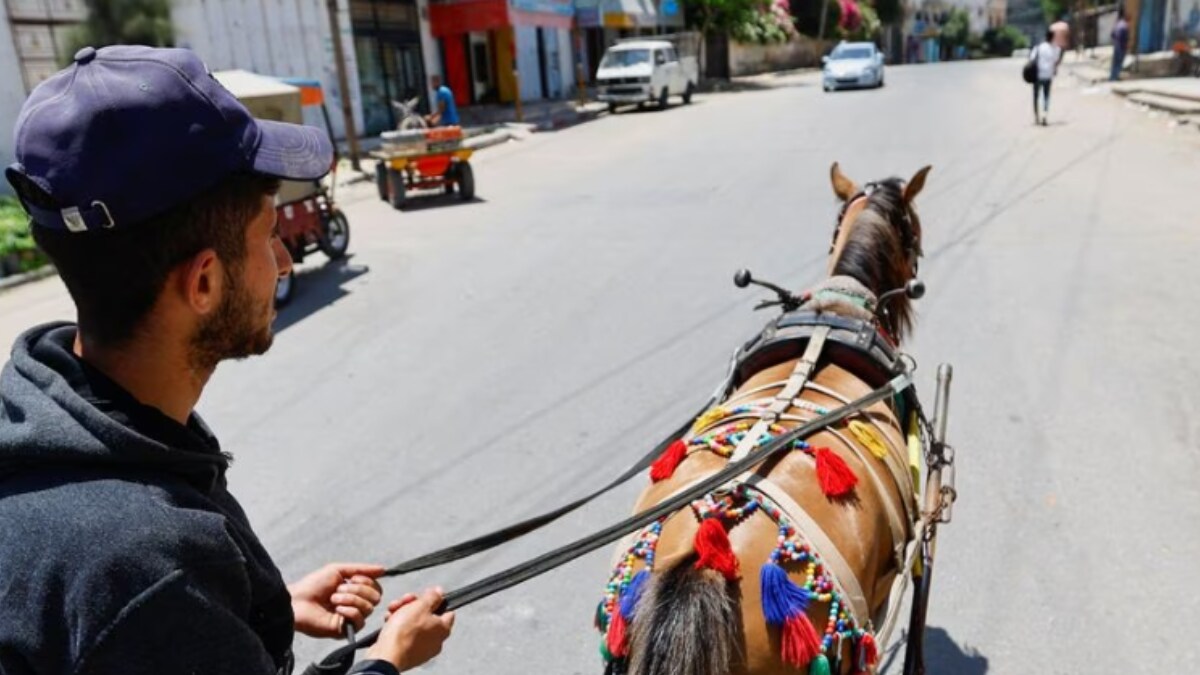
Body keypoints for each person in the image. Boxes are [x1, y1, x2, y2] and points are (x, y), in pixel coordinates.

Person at [0, 45, 454, 674]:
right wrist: (386, 662)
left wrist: (248, 610)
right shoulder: (146, 564)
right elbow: (136, 600)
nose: (287, 261)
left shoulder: (55, 423)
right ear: (205, 283)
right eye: (269, 235)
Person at [1029, 30, 1062, 126]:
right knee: (1046, 96)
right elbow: (1056, 62)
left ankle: (1036, 117)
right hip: (1048, 75)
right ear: (1053, 37)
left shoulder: (1038, 47)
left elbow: (1032, 59)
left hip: (1037, 75)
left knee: (1036, 96)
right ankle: (1044, 115)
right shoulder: (1056, 48)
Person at [1111, 8, 1130, 81]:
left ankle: (1112, 77)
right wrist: (1125, 46)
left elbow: (1112, 34)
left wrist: (1115, 41)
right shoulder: (1125, 26)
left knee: (1115, 62)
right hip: (1121, 45)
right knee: (1119, 62)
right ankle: (1116, 76)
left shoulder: (1118, 24)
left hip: (1116, 44)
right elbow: (1125, 38)